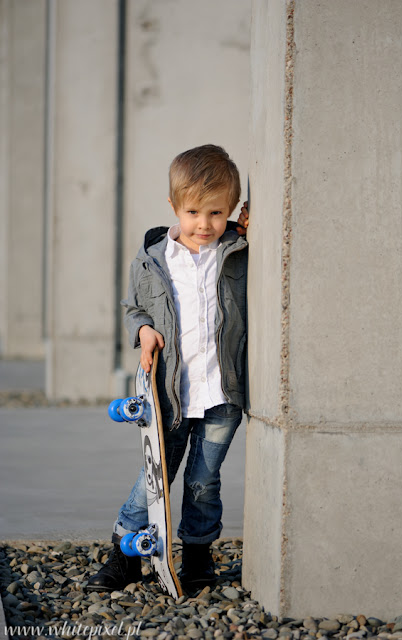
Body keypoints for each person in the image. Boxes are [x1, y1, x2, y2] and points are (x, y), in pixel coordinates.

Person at [87, 144, 250, 594]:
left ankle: (197, 556)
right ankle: (123, 557)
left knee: (203, 481)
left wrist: (249, 229)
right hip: (170, 395)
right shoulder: (152, 259)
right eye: (193, 211)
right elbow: (132, 307)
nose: (204, 224)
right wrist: (142, 331)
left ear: (232, 210)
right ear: (174, 206)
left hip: (221, 394)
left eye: (216, 213)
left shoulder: (236, 252)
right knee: (154, 479)